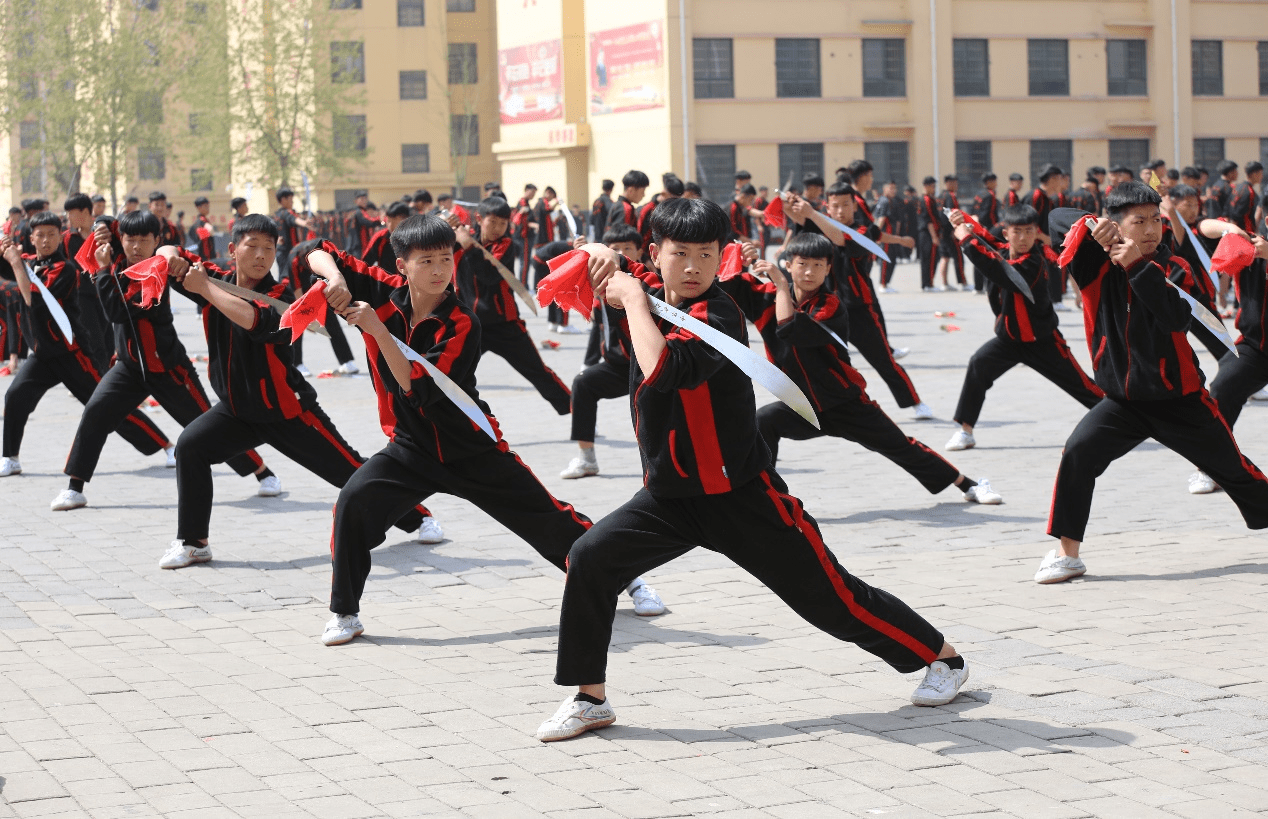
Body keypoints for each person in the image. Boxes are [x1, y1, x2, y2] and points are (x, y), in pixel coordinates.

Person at [534, 198, 970, 742]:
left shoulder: (719, 316)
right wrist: (601, 253)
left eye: (706, 255)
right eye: (680, 254)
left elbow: (664, 368)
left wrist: (630, 300)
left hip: (741, 496)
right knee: (588, 559)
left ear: (722, 258)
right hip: (670, 498)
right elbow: (617, 267)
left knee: (834, 601)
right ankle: (588, 697)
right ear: (656, 253)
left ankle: (942, 658)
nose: (692, 267)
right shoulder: (651, 288)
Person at [303, 214, 660, 645]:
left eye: (446, 259)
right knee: (353, 504)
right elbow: (315, 249)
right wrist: (336, 278)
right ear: (402, 266)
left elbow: (415, 386)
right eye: (426, 261)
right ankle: (345, 612)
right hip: (410, 448)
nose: (439, 270)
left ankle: (627, 578)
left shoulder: (461, 322)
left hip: (472, 448)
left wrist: (376, 330)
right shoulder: (380, 290)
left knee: (550, 521)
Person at [157, 214, 443, 570]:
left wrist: (204, 289)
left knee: (350, 472)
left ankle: (419, 516)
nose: (261, 256)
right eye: (252, 246)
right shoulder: (214, 278)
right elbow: (167, 255)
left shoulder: (281, 297)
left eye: (269, 248)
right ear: (232, 249)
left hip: (288, 412)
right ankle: (194, 542)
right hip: (237, 411)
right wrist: (170, 255)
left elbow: (252, 319)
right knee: (190, 446)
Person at [1037, 181, 1268, 584]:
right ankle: (1067, 554)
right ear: (1116, 224)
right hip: (1123, 402)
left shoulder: (1174, 267)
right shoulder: (1093, 262)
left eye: (1156, 220)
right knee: (1078, 454)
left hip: (1180, 400)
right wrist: (1092, 225)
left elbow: (1177, 317)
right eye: (1138, 221)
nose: (1149, 230)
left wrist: (1136, 267)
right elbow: (1056, 219)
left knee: (1235, 472)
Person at [717, 232, 1003, 506]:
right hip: (804, 405)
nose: (809, 272)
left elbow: (790, 328)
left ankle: (969, 485)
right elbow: (725, 288)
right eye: (802, 264)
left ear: (828, 269)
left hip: (845, 402)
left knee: (901, 447)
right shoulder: (766, 295)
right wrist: (740, 260)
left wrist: (780, 285)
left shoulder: (830, 306)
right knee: (764, 421)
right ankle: (769, 498)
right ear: (788, 264)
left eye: (818, 265)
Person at [51, 210, 279, 512]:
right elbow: (110, 220)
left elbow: (116, 312)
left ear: (157, 241)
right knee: (94, 414)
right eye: (130, 240)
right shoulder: (118, 256)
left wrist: (104, 271)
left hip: (169, 368)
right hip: (129, 367)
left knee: (206, 426)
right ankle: (75, 486)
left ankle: (262, 472)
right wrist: (102, 227)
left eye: (144, 241)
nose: (135, 247)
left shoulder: (155, 271)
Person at [0, 213, 173, 478]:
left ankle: (166, 446)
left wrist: (14, 262)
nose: (45, 240)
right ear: (31, 237)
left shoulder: (64, 269)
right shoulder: (27, 263)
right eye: (40, 234)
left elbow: (33, 298)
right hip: (43, 354)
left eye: (51, 234)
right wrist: (6, 247)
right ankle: (10, 457)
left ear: (61, 236)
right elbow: (10, 265)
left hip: (73, 354)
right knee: (14, 397)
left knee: (106, 407)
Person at [943, 205, 1103, 452]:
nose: (1023, 238)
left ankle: (1127, 419)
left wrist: (965, 239)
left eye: (1029, 231)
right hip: (1008, 340)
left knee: (1082, 386)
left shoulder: (1033, 263)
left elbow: (997, 269)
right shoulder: (1005, 250)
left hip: (1043, 341)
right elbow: (986, 239)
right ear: (1006, 233)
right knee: (978, 365)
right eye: (1017, 231)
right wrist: (961, 221)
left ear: (1036, 233)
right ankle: (966, 431)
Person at [787, 184, 930, 419]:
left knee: (884, 361)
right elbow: (802, 224)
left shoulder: (864, 230)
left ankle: (915, 402)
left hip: (858, 308)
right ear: (828, 207)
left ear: (855, 205)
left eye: (845, 204)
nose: (841, 210)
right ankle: (816, 406)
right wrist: (791, 205)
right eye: (835, 206)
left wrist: (812, 212)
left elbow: (841, 239)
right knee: (814, 359)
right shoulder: (819, 225)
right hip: (825, 308)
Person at [452, 197, 572, 415]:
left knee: (538, 372)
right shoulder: (459, 239)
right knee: (450, 374)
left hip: (504, 325)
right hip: (470, 324)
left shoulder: (505, 246)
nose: (498, 228)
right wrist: (444, 224)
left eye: (503, 223)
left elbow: (488, 275)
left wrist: (468, 245)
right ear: (479, 219)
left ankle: (580, 415)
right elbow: (431, 243)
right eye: (493, 222)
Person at [558, 224, 644, 481]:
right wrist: (582, 254)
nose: (618, 254)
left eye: (626, 249)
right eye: (613, 249)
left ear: (638, 253)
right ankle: (587, 460)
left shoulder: (643, 282)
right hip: (618, 366)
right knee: (583, 384)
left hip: (646, 366)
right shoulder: (602, 279)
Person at [936, 175, 968, 290]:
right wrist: (955, 229)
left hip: (941, 231)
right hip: (950, 232)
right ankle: (962, 283)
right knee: (958, 256)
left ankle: (944, 283)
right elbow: (951, 213)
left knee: (944, 257)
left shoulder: (940, 196)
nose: (956, 185)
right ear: (949, 183)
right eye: (955, 183)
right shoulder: (951, 196)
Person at [361, 201, 412, 273]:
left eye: (395, 221)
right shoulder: (380, 238)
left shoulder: (415, 239)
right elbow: (365, 263)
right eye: (389, 221)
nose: (390, 226)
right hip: (385, 282)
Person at [606, 170, 649, 237]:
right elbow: (620, 238)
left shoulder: (618, 204)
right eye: (643, 191)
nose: (644, 195)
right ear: (631, 190)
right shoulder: (626, 208)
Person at [917, 177, 941, 291]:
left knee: (929, 259)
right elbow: (929, 220)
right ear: (926, 186)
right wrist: (934, 237)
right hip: (928, 234)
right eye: (932, 186)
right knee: (930, 259)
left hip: (927, 234)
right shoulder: (926, 200)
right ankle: (928, 284)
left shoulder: (928, 199)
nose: (934, 189)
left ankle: (927, 284)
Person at [1228, 161, 1262, 235]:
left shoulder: (1238, 187)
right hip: (1244, 232)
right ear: (1254, 174)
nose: (1262, 176)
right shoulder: (1248, 191)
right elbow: (1236, 215)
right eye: (1260, 173)